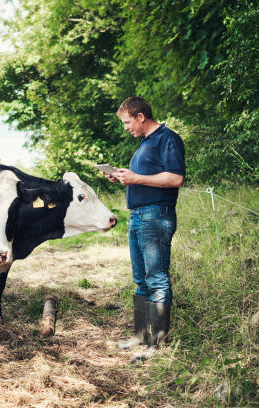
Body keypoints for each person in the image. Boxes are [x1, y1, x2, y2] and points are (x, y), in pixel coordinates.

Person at [103, 96, 185, 361]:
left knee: (157, 279)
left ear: (141, 117)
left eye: (127, 122)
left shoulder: (167, 138)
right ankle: (140, 335)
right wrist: (123, 177)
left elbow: (175, 178)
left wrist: (136, 177)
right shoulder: (144, 144)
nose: (125, 128)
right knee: (140, 280)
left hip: (155, 216)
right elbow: (146, 179)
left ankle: (157, 345)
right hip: (137, 216)